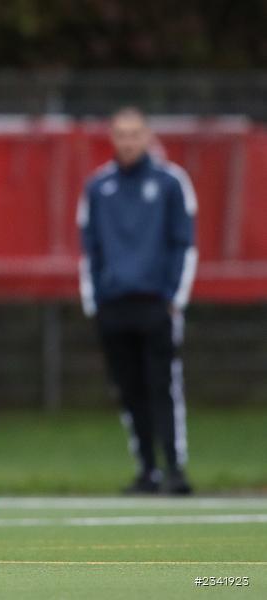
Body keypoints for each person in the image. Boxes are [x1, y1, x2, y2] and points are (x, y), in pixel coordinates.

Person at [77, 106, 197, 495]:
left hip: (156, 304)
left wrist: (174, 297)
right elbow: (89, 248)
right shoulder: (98, 187)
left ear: (147, 137)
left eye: (135, 134)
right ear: (112, 138)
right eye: (121, 134)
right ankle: (147, 470)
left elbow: (185, 243)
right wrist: (94, 300)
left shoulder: (170, 182)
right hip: (113, 305)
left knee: (162, 386)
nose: (128, 142)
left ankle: (175, 468)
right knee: (129, 390)